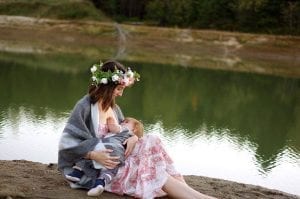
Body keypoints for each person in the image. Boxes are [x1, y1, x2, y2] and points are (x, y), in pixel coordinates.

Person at [58, 60, 216, 199]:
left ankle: (196, 195)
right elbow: (67, 143)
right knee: (153, 171)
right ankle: (200, 197)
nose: (120, 94)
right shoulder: (84, 107)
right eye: (119, 89)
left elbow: (120, 135)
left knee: (152, 141)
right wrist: (93, 154)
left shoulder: (114, 108)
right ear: (107, 86)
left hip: (117, 159)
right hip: (96, 168)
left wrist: (133, 137)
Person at [65, 116, 144, 196]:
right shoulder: (128, 137)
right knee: (110, 170)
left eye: (126, 122)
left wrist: (110, 120)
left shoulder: (125, 130)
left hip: (107, 147)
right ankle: (100, 184)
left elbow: (114, 127)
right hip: (118, 155)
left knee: (88, 160)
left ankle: (77, 173)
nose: (122, 123)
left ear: (134, 130)